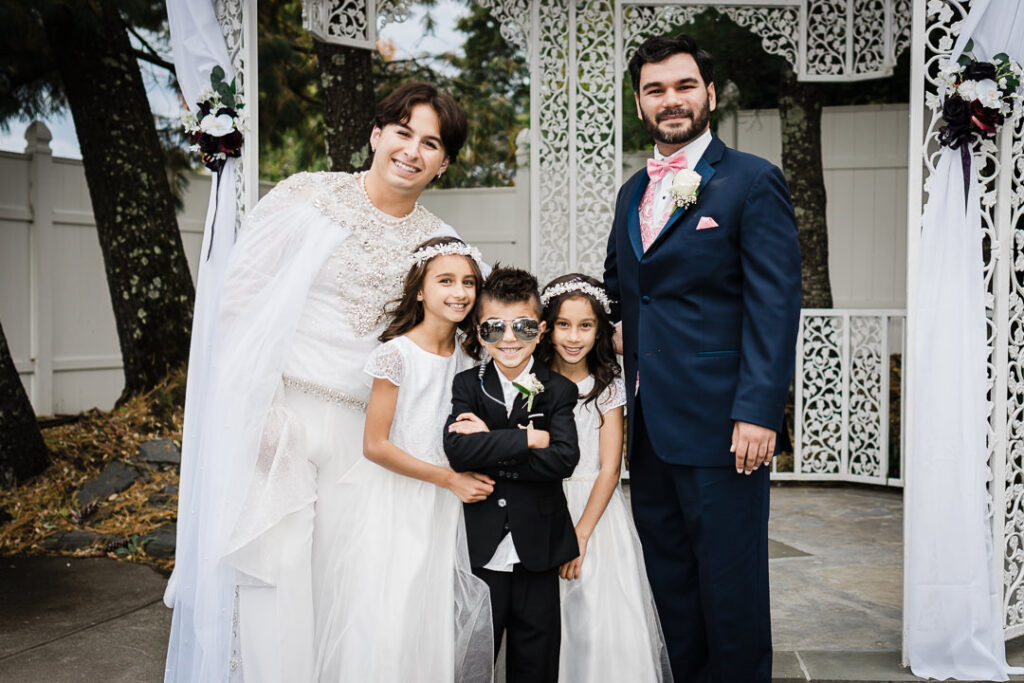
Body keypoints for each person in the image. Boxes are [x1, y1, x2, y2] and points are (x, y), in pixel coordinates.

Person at [164, 82, 471, 682]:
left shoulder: (444, 248)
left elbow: (457, 343)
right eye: (403, 132)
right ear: (377, 134)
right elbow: (235, 306)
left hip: (373, 440)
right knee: (274, 578)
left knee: (352, 588)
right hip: (285, 420)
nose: (412, 150)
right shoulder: (306, 196)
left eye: (430, 143)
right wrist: (256, 412)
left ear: (444, 163)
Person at [603, 34, 801, 682]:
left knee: (732, 593)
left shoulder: (751, 181)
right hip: (652, 431)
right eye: (656, 89)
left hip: (726, 430)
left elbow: (775, 306)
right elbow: (623, 291)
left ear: (710, 94)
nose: (672, 100)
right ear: (639, 103)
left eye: (685, 86)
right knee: (673, 592)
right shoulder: (631, 192)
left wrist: (759, 411)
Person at [312, 236, 494, 681]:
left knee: (431, 610)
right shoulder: (396, 355)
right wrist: (447, 479)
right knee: (393, 607)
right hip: (397, 498)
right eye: (446, 280)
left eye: (468, 282)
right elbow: (375, 445)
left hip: (443, 502)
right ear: (420, 290)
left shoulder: (472, 356)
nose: (460, 292)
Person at [443, 266, 580, 683]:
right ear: (479, 331)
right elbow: (458, 451)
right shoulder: (467, 384)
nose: (508, 339)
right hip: (481, 547)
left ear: (540, 331)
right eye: (494, 328)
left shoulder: (557, 389)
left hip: (538, 549)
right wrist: (528, 441)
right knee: (474, 660)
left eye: (522, 327)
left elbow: (563, 460)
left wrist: (493, 441)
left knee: (536, 661)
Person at [537, 274, 673, 683]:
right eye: (563, 324)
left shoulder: (607, 387)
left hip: (594, 514)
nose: (573, 336)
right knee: (549, 620)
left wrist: (579, 535)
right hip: (543, 505)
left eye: (585, 325)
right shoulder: (532, 380)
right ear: (547, 326)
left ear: (600, 330)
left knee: (597, 614)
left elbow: (610, 469)